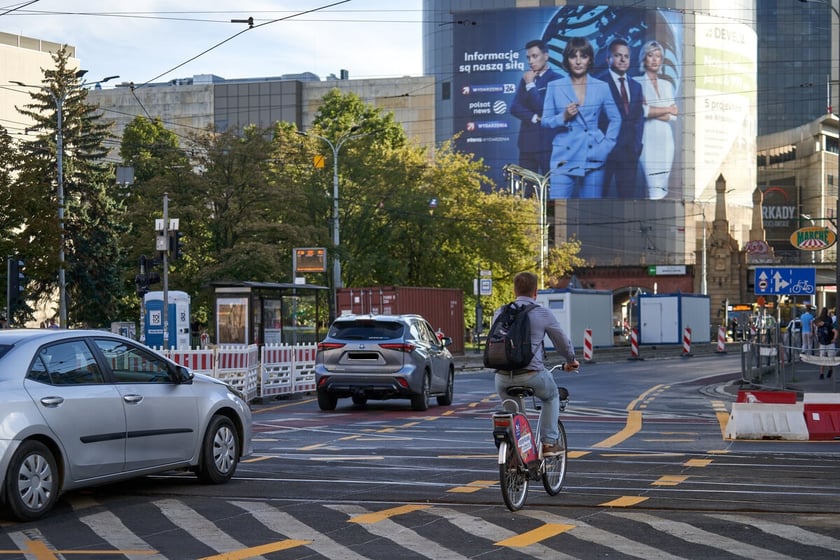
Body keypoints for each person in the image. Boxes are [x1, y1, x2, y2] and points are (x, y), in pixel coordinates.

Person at [492, 271, 580, 456]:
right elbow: (561, 341)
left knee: (515, 416)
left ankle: (516, 454)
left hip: (502, 377)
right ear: (536, 292)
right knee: (551, 396)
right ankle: (548, 443)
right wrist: (571, 360)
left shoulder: (500, 312)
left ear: (514, 290)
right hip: (531, 375)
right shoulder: (541, 313)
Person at [541, 37, 621, 199]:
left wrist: (606, 146)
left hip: (594, 154)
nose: (578, 61)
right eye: (573, 56)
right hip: (563, 155)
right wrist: (563, 116)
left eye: (583, 56)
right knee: (556, 211)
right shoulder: (554, 86)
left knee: (590, 214)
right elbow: (545, 121)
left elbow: (616, 118)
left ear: (590, 59)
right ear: (567, 60)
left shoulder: (602, 87)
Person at [597, 38, 644, 198]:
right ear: (608, 58)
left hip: (629, 154)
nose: (623, 59)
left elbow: (639, 119)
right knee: (598, 197)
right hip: (605, 153)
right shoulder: (598, 83)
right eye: (618, 55)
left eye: (626, 56)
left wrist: (637, 146)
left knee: (628, 200)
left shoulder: (636, 86)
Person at [633, 40, 678, 200]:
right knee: (653, 185)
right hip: (648, 139)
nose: (654, 59)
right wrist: (666, 109)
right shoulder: (637, 83)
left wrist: (655, 110)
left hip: (666, 141)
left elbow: (673, 116)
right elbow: (642, 112)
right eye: (650, 55)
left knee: (662, 184)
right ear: (644, 58)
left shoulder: (666, 85)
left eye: (658, 56)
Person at [510, 39, 561, 176]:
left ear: (546, 56)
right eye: (528, 57)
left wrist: (531, 85)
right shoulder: (526, 78)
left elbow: (544, 109)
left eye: (534, 56)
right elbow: (514, 107)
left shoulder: (557, 79)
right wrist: (534, 117)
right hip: (527, 144)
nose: (530, 61)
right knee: (526, 190)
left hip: (548, 145)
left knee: (550, 189)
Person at [815, 307, 837, 379]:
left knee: (822, 359)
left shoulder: (820, 319)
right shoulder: (829, 319)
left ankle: (821, 374)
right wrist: (834, 338)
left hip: (823, 342)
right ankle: (830, 370)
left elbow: (818, 333)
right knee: (830, 358)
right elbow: (833, 329)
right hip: (828, 341)